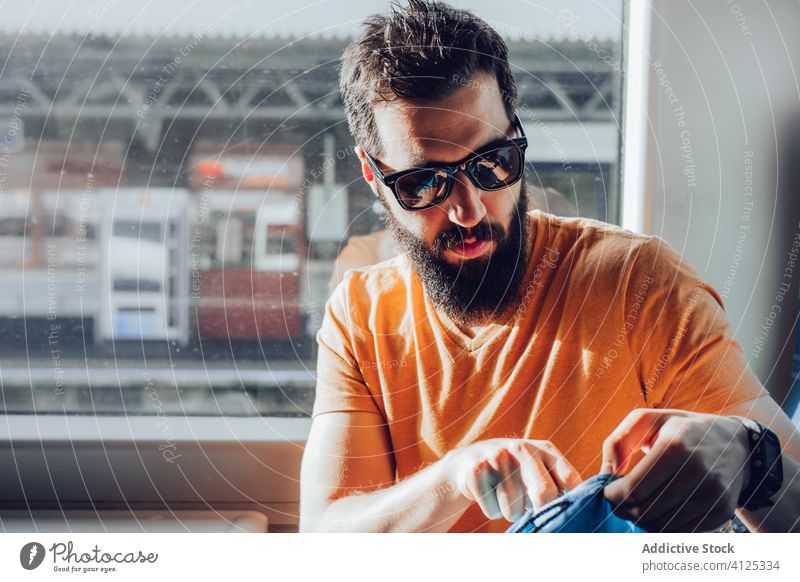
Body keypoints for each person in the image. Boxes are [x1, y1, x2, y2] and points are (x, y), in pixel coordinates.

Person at [299, 0, 800, 533]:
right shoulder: (361, 316)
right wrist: (454, 477)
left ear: (516, 133)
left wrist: (755, 462)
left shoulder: (641, 285)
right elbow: (326, 535)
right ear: (374, 176)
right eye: (424, 183)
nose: (470, 212)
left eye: (492, 163)